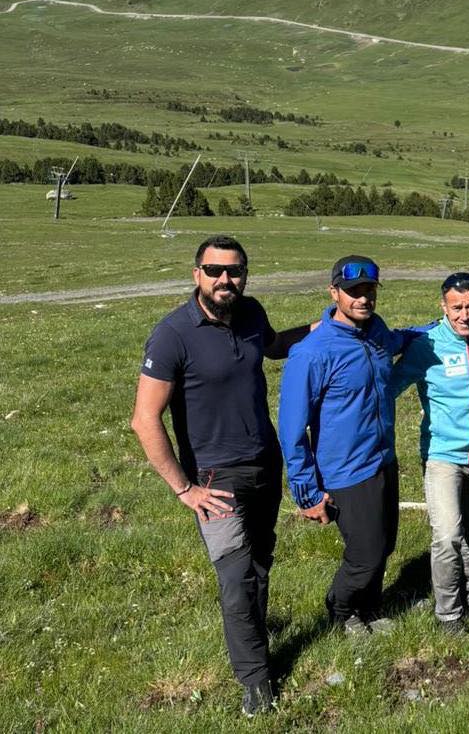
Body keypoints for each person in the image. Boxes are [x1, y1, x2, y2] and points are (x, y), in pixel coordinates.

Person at [130, 235, 313, 717]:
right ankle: (256, 679)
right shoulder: (173, 334)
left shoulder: (251, 312)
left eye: (234, 270)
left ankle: (255, 630)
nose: (225, 279)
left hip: (264, 461)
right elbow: (144, 419)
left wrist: (323, 326)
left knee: (260, 563)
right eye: (214, 271)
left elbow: (273, 347)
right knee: (235, 578)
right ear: (197, 275)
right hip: (214, 479)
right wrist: (184, 488)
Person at [277, 255, 424, 637]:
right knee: (365, 553)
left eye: (369, 291)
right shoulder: (312, 353)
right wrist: (307, 492)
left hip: (383, 459)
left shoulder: (376, 332)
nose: (362, 298)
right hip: (344, 471)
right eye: (353, 291)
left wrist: (433, 331)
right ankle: (341, 609)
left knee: (386, 544)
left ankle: (371, 606)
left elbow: (398, 339)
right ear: (334, 292)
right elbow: (291, 431)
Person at [392, 271, 469, 636]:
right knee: (447, 534)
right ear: (443, 308)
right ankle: (448, 613)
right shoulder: (427, 345)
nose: (465, 315)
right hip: (444, 455)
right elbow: (389, 388)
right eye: (457, 307)